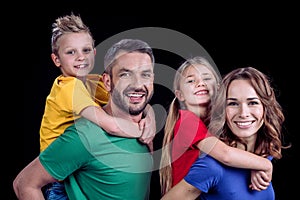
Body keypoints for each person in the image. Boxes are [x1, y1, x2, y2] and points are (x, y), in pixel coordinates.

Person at [14, 38, 155, 200]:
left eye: (145, 74)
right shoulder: (85, 135)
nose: (137, 84)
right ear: (108, 82)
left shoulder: (147, 126)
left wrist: (150, 116)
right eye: (125, 75)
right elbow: (24, 184)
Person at [161, 66, 287, 200]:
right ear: (222, 110)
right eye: (233, 104)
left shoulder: (264, 156)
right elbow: (226, 155)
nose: (243, 113)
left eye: (253, 102)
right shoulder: (211, 167)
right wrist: (264, 165)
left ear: (266, 109)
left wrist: (263, 163)